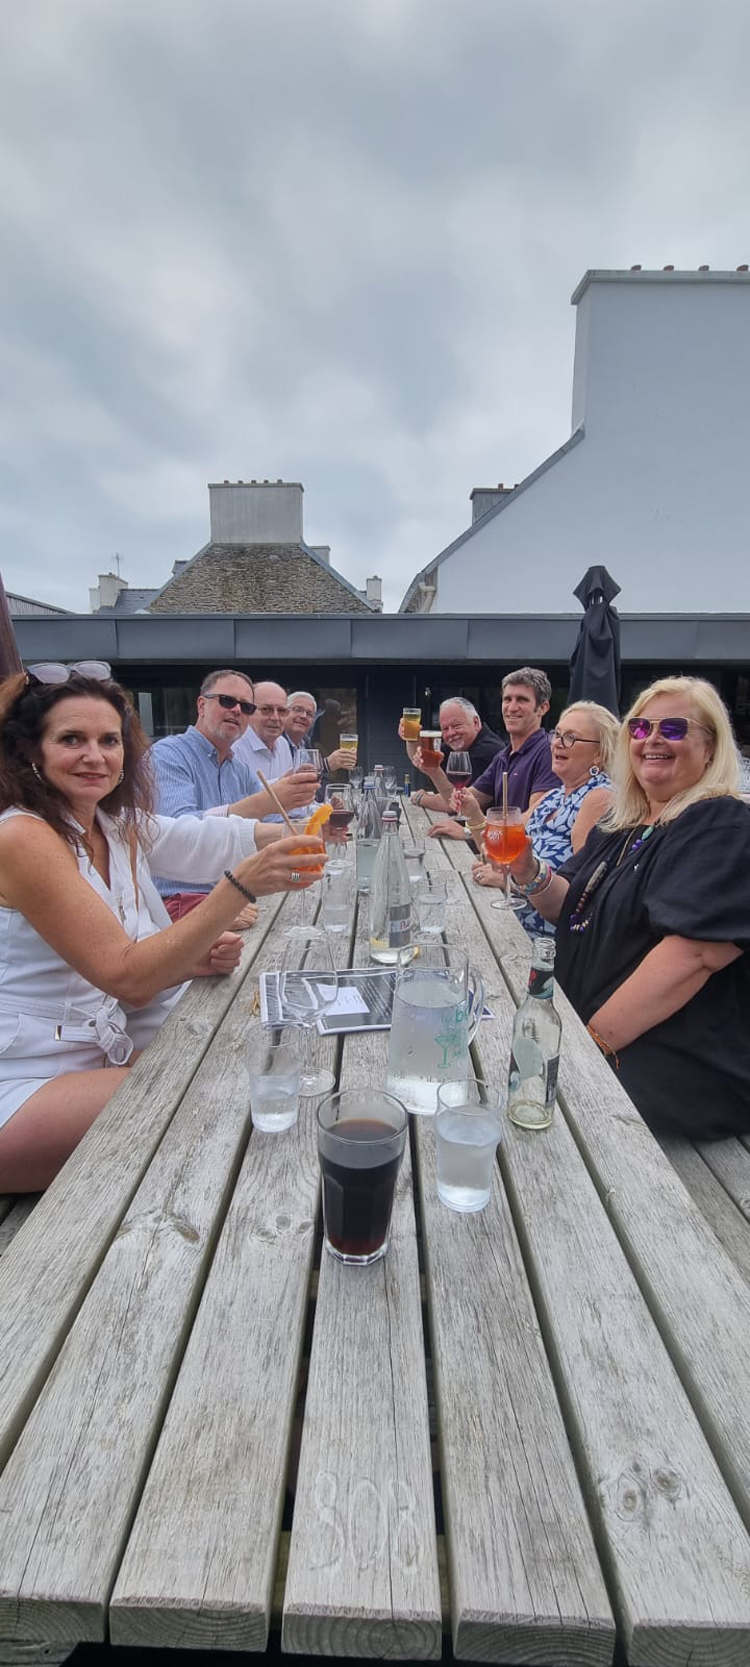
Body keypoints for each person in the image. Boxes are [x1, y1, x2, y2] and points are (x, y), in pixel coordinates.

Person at [0, 666, 325, 1190]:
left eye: (109, 740)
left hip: (99, 1051)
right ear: (30, 750)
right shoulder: (23, 836)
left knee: (251, 1056)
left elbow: (194, 838)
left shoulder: (112, 823)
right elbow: (126, 977)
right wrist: (240, 887)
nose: (95, 756)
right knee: (201, 1094)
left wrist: (300, 834)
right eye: (72, 739)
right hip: (25, 1074)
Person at [504, 676, 750, 1139]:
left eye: (673, 728)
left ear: (711, 749)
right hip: (586, 1031)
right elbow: (567, 903)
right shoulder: (624, 822)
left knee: (512, 1114)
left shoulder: (721, 822)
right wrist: (526, 869)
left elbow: (694, 955)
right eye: (640, 728)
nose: (651, 739)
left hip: (668, 1062)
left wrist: (584, 1050)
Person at [150, 670, 318, 919]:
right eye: (227, 701)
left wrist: (318, 828)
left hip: (234, 892)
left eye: (246, 707)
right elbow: (178, 836)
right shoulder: (167, 755)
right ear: (201, 705)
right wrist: (266, 802)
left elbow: (275, 826)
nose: (237, 710)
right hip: (179, 903)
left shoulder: (238, 769)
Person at [471, 701, 618, 933]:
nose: (557, 743)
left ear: (599, 754)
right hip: (509, 921)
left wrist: (510, 882)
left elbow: (586, 890)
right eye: (557, 735)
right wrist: (472, 812)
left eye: (570, 737)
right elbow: (503, 845)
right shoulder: (553, 796)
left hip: (542, 938)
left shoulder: (598, 798)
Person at [428, 668, 558, 841]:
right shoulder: (503, 756)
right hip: (496, 850)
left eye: (522, 699)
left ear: (542, 708)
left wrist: (468, 832)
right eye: (507, 699)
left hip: (523, 855)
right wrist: (432, 770)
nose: (512, 707)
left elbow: (534, 823)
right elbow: (460, 802)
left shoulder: (548, 752)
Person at [402, 698, 503, 812]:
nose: (451, 733)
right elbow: (420, 759)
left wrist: (422, 799)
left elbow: (459, 803)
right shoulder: (459, 744)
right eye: (445, 728)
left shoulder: (488, 750)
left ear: (475, 722)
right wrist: (411, 738)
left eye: (456, 725)